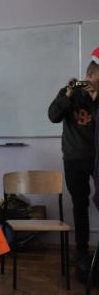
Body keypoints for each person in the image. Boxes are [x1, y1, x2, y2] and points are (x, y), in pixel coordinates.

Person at [49, 49, 99, 271]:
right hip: (74, 158)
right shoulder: (69, 92)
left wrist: (96, 101)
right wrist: (68, 95)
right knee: (80, 205)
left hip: (97, 158)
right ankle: (81, 252)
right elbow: (53, 116)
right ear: (89, 75)